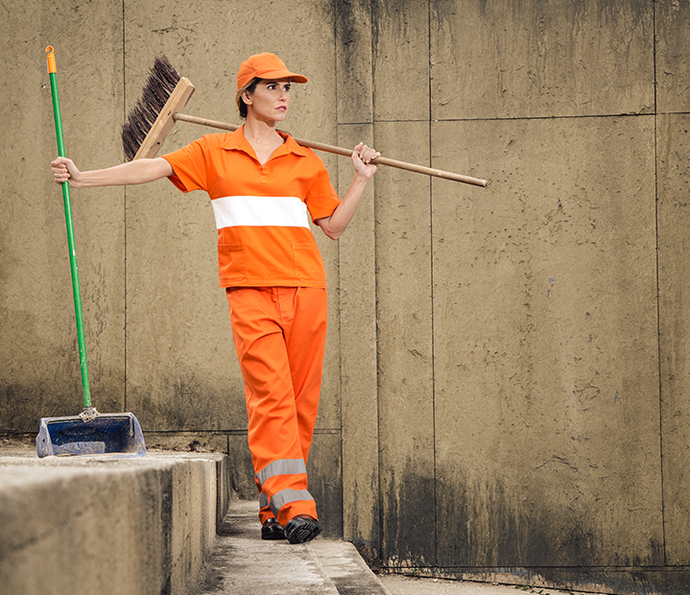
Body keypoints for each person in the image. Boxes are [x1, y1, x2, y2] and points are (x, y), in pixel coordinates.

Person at [51, 52, 379, 545]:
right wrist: (83, 177)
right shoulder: (213, 152)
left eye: (288, 87)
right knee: (270, 397)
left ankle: (273, 509)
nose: (284, 95)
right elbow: (151, 169)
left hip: (307, 289)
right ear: (247, 95)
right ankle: (296, 503)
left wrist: (360, 179)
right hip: (249, 290)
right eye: (272, 87)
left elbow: (332, 226)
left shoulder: (305, 160)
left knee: (299, 404)